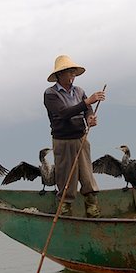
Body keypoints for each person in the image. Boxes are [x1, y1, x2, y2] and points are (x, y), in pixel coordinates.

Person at [43, 55, 105, 218]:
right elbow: (63, 113)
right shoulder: (50, 94)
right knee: (65, 175)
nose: (72, 76)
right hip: (62, 141)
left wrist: (89, 118)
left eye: (73, 73)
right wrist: (87, 102)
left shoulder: (79, 91)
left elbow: (87, 111)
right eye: (69, 73)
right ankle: (65, 208)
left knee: (86, 173)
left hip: (80, 138)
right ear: (59, 75)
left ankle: (92, 206)